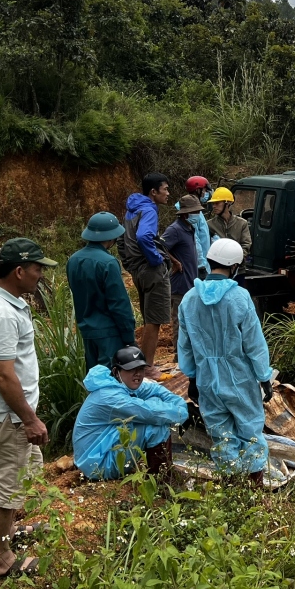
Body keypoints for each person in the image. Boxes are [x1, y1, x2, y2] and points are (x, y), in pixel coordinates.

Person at [0, 237, 56, 579]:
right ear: (19, 271)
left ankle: (10, 532)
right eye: (37, 270)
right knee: (5, 486)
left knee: (21, 472)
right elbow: (4, 375)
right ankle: (0, 559)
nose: (40, 276)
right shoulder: (2, 314)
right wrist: (29, 419)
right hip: (7, 416)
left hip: (8, 413)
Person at [176, 238, 273, 482]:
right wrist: (264, 377)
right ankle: (253, 489)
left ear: (209, 262)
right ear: (234, 266)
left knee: (221, 433)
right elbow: (254, 343)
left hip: (207, 379)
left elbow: (185, 346)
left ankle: (231, 489)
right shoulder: (240, 297)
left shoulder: (189, 299)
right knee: (250, 430)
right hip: (240, 377)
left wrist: (192, 378)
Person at [72, 345, 190, 481]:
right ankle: (162, 482)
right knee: (155, 427)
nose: (138, 374)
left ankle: (161, 474)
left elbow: (154, 389)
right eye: (131, 369)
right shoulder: (110, 397)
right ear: (117, 371)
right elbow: (152, 413)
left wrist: (179, 406)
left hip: (99, 452)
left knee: (154, 400)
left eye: (140, 369)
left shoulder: (117, 384)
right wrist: (180, 411)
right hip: (97, 465)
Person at [67, 212, 137, 373]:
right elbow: (118, 303)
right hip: (109, 332)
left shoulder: (73, 260)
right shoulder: (108, 263)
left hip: (87, 331)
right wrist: (128, 336)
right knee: (111, 380)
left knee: (94, 378)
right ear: (111, 237)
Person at [122, 173, 174, 367]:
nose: (168, 193)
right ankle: (148, 367)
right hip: (151, 270)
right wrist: (156, 259)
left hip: (138, 270)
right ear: (153, 192)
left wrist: (129, 264)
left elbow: (122, 239)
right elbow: (144, 237)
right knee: (154, 320)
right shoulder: (149, 210)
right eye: (165, 189)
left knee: (148, 318)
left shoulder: (131, 210)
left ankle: (142, 365)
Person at [163, 195, 206, 352]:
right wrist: (174, 261)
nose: (198, 215)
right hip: (179, 284)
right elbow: (158, 247)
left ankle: (188, 354)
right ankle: (178, 355)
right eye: (195, 212)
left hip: (190, 283)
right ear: (185, 214)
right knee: (180, 322)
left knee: (191, 321)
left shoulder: (189, 229)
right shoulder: (175, 230)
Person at [206, 187, 252, 258]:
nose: (214, 206)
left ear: (227, 203)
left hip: (238, 266)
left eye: (217, 203)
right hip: (218, 266)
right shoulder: (209, 225)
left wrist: (236, 260)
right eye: (213, 204)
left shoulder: (242, 223)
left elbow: (246, 245)